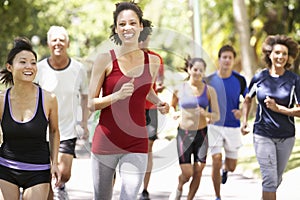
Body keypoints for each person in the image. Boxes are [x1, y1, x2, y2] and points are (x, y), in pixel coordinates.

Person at [88, 1, 169, 200]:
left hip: (136, 141)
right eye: (122, 24)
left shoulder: (153, 61)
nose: (127, 28)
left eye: (132, 23)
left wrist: (159, 102)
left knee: (129, 196)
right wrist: (117, 96)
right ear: (116, 29)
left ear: (141, 26)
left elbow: (146, 90)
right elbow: (90, 103)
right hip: (106, 141)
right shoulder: (104, 60)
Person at [0, 37, 61, 199]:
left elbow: (54, 131)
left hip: (38, 169)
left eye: (33, 62)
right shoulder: (1, 100)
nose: (29, 66)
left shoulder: (49, 99)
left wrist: (54, 163)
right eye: (23, 62)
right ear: (10, 67)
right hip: (6, 167)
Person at [241, 35, 300, 200]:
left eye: (284, 54)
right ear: (270, 54)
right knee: (269, 181)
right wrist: (244, 122)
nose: (281, 57)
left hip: (286, 136)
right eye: (277, 53)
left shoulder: (294, 80)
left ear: (289, 57)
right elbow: (247, 99)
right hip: (262, 134)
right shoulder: (260, 77)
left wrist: (280, 109)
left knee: (275, 180)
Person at [35, 25, 89, 199]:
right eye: (54, 40)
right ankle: (53, 194)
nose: (58, 43)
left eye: (61, 40)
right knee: (46, 173)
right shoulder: (40, 68)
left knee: (64, 173)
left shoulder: (78, 69)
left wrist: (84, 124)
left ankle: (60, 187)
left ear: (68, 43)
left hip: (67, 129)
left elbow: (85, 96)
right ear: (49, 43)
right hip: (42, 130)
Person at [168, 57, 220, 200]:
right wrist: (174, 114)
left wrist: (206, 113)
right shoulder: (180, 88)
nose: (197, 73)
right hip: (184, 134)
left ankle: (189, 198)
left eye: (201, 70)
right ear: (189, 69)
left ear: (204, 73)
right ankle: (180, 185)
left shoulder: (210, 91)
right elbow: (172, 106)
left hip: (202, 134)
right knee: (188, 172)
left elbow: (216, 115)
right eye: (195, 69)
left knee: (198, 171)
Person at [206, 45, 248, 200]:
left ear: (233, 60)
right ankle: (217, 196)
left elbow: (247, 99)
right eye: (224, 57)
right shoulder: (209, 80)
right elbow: (201, 101)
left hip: (232, 127)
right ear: (219, 59)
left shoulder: (240, 80)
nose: (227, 60)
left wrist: (242, 113)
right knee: (215, 160)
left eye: (230, 57)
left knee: (232, 166)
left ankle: (226, 169)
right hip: (214, 126)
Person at [138, 22, 165, 200]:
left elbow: (160, 83)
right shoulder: (126, 57)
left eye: (147, 35)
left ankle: (144, 189)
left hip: (150, 109)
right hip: (131, 109)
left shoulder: (156, 58)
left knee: (147, 148)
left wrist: (160, 90)